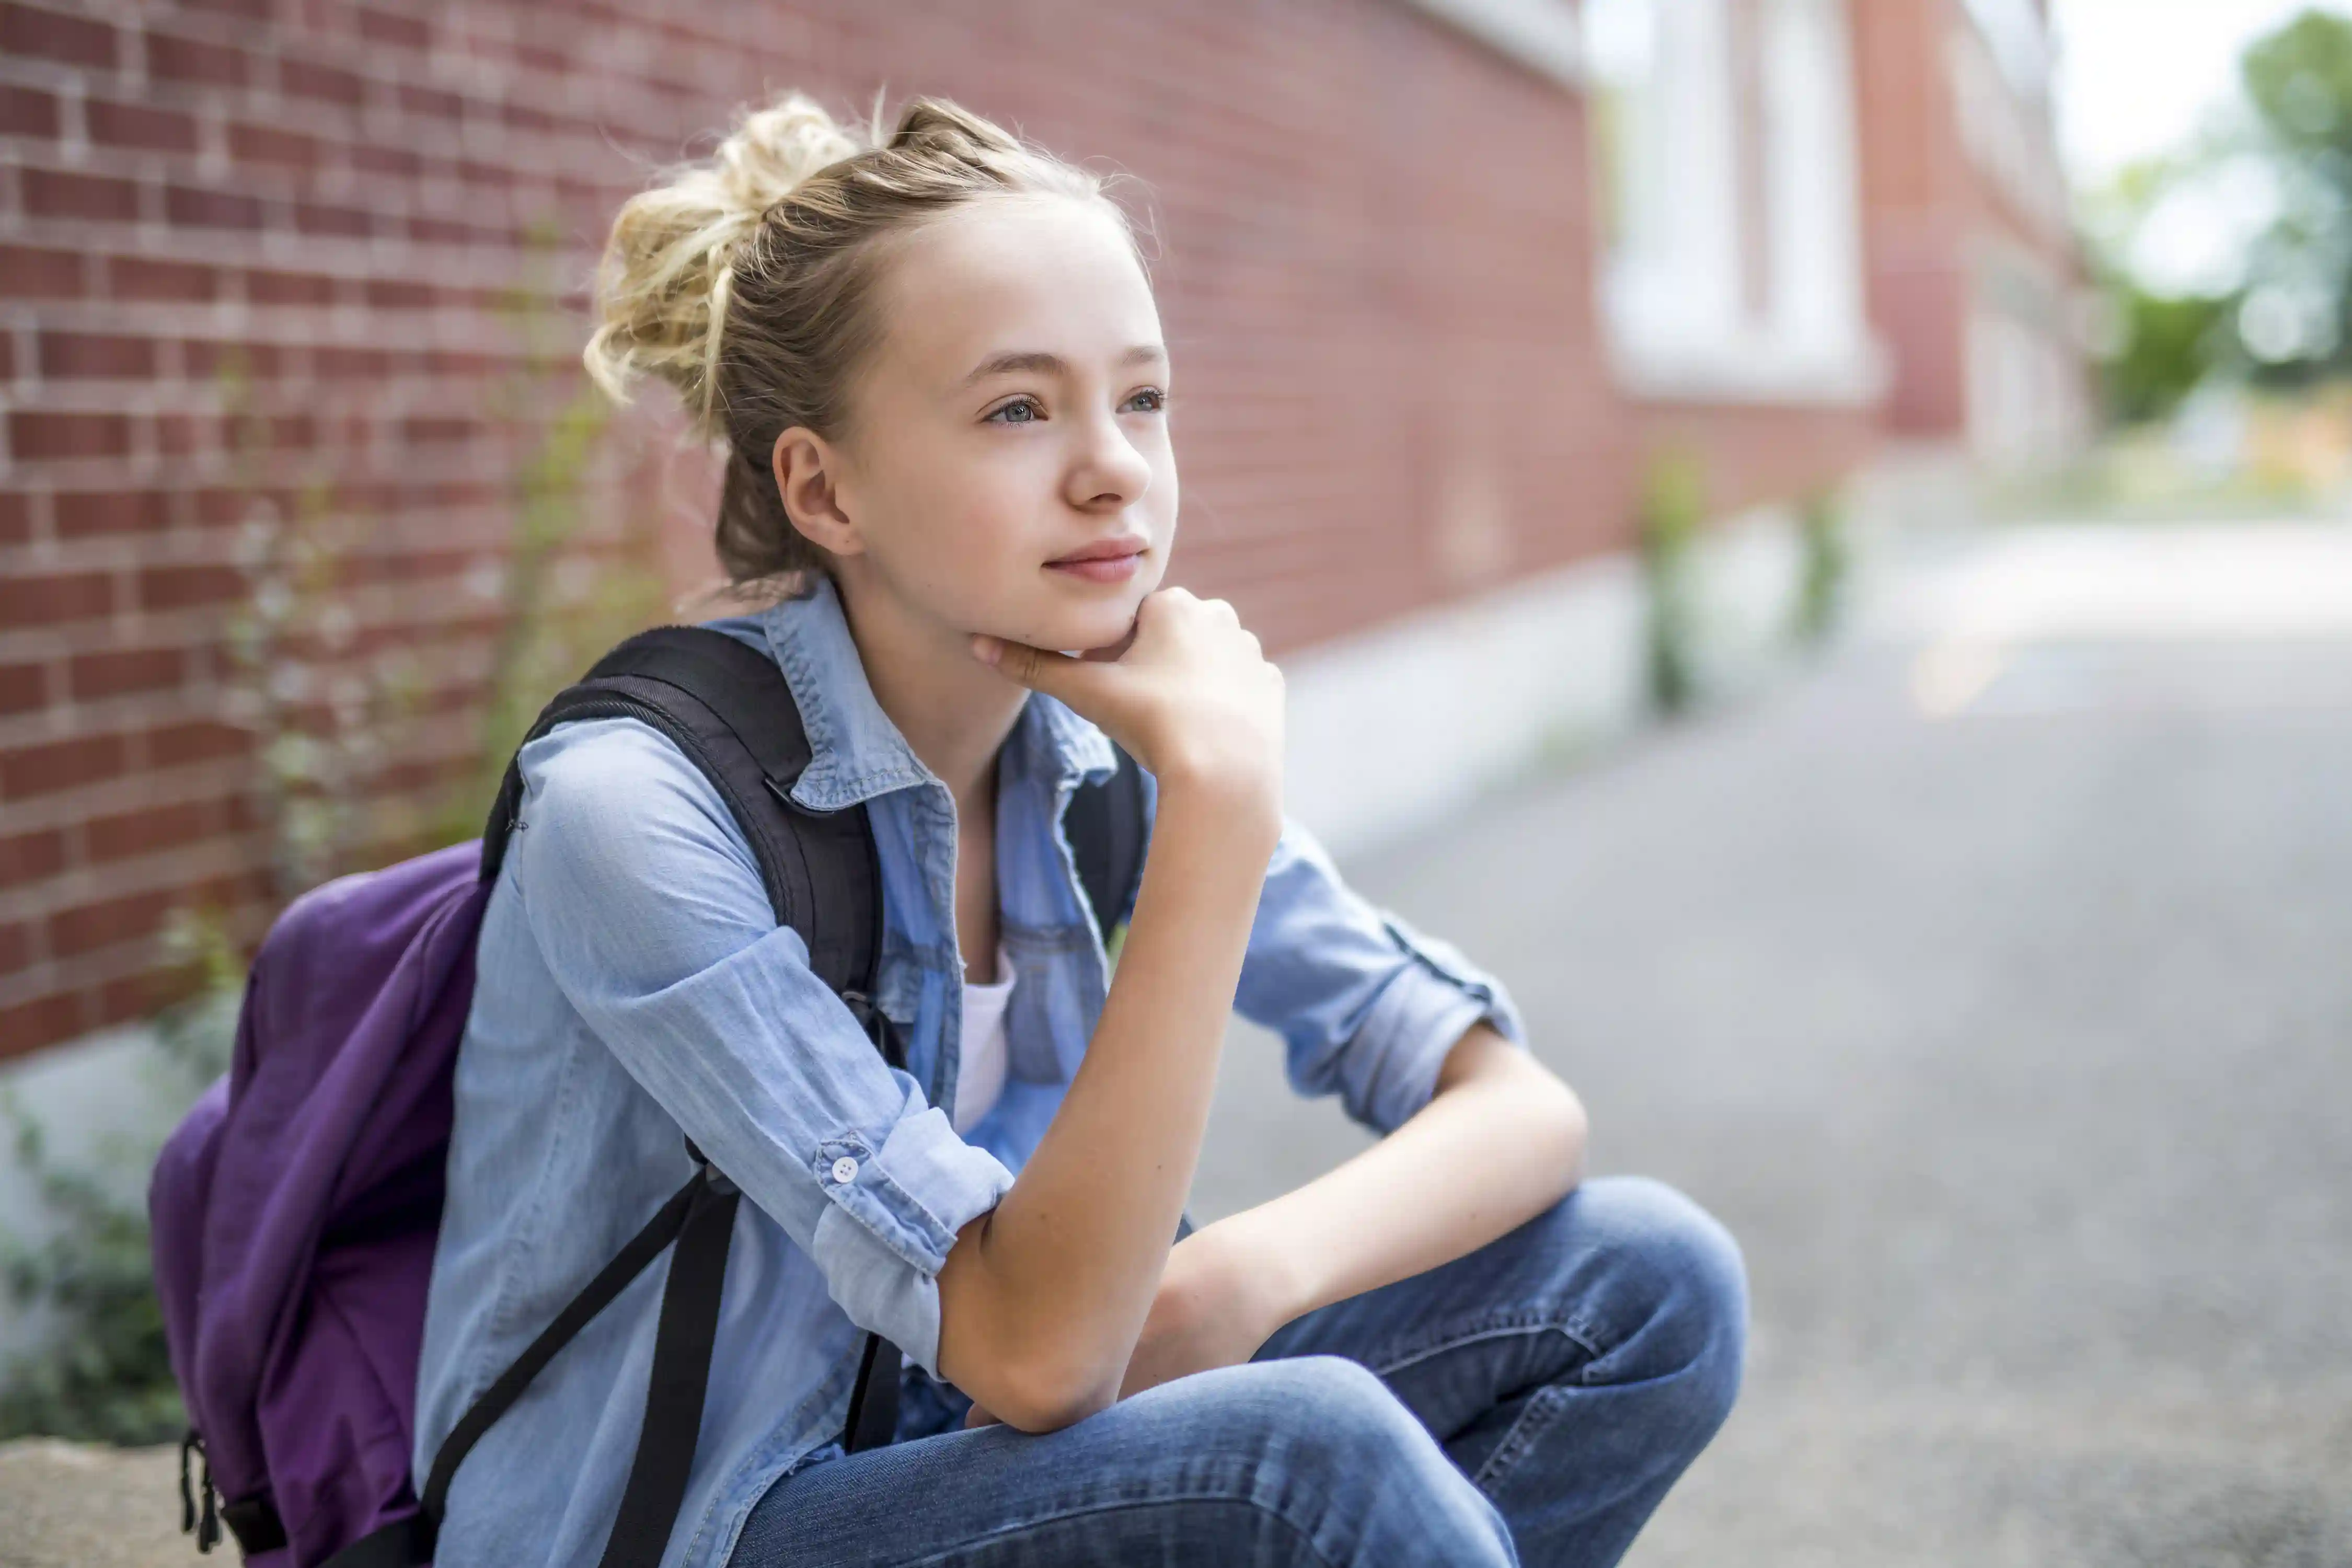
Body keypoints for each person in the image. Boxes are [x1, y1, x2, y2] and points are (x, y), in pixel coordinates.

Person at [412, 91, 1746, 1568]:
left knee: (1648, 1282)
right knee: (1306, 1460)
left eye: (1142, 398)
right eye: (1015, 409)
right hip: (709, 1525)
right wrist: (1223, 811)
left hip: (965, 1448)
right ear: (823, 486)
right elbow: (1038, 1353)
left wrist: (1236, 1278)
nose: (1112, 466)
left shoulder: (1096, 758)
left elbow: (1516, 1109)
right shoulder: (642, 813)